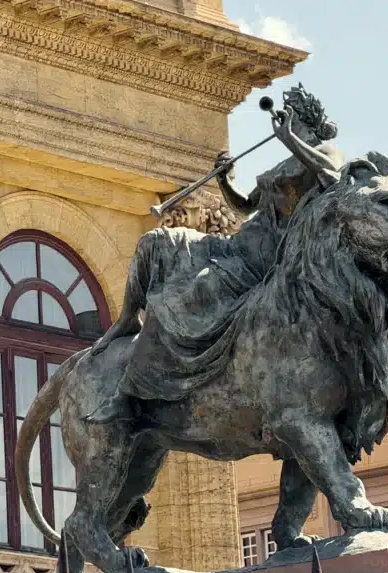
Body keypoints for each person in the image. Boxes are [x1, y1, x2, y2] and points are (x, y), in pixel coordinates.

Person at [85, 85, 346, 425]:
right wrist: (225, 181)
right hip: (237, 246)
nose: (284, 117)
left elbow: (331, 176)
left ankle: (131, 391)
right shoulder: (286, 160)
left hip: (265, 261)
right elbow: (245, 206)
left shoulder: (323, 149)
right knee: (157, 241)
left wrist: (289, 140)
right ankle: (126, 320)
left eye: (291, 111)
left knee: (177, 298)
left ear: (304, 116)